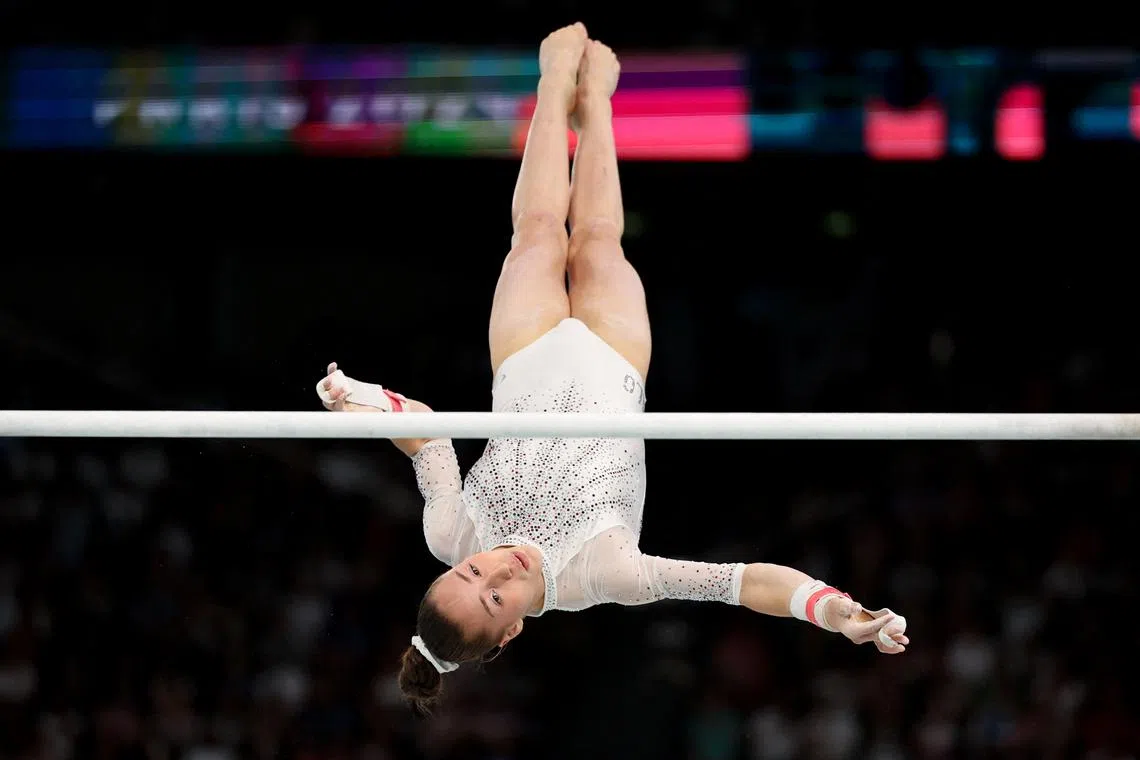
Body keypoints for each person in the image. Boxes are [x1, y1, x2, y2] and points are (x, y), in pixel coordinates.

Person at [316, 23, 909, 717]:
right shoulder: (606, 574)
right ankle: (595, 99)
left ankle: (551, 84)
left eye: (472, 572)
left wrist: (355, 403)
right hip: (613, 359)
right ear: (510, 632)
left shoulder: (449, 532)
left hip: (524, 354)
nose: (495, 567)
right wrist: (833, 610)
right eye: (496, 595)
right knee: (597, 239)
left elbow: (424, 431)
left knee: (537, 232)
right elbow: (741, 583)